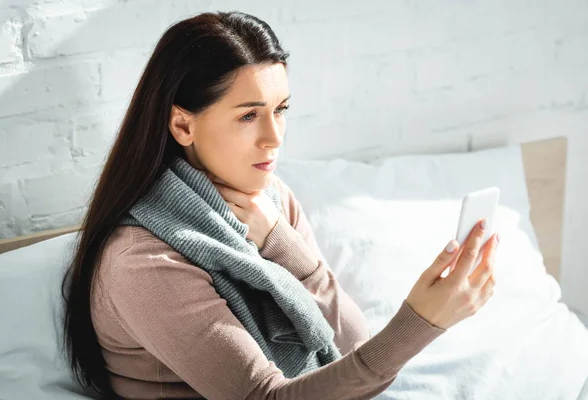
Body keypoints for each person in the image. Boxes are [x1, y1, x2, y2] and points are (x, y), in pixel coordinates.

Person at [61, 10, 498, 400]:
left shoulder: (269, 201)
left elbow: (349, 344)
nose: (275, 137)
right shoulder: (142, 261)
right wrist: (420, 322)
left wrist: (282, 245)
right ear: (182, 124)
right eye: (249, 115)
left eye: (281, 109)